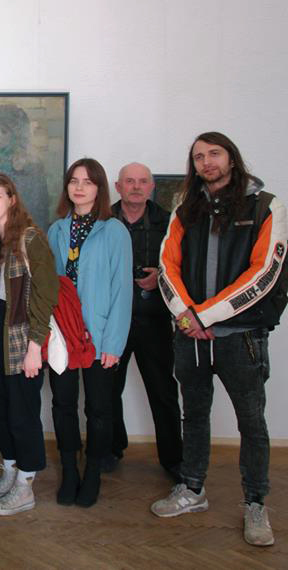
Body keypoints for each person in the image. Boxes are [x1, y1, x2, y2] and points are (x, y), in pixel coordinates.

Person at [152, 132, 287, 547]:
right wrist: (187, 317)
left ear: (232, 157)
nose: (206, 162)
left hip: (240, 338)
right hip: (190, 336)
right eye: (198, 157)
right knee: (193, 415)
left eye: (214, 153)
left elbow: (263, 273)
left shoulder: (266, 206)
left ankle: (255, 503)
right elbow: (167, 265)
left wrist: (205, 316)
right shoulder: (185, 209)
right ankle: (192, 489)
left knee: (252, 423)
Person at [46, 158, 132, 508]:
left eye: (88, 181)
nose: (79, 187)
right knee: (62, 404)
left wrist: (114, 343)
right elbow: (47, 288)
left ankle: (93, 472)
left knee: (99, 409)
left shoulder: (114, 231)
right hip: (63, 336)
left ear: (99, 189)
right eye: (74, 181)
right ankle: (70, 470)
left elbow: (122, 290)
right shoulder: (55, 230)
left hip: (99, 337)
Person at [0, 173, 58, 517]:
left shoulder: (30, 238)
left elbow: (45, 293)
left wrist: (35, 346)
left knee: (22, 413)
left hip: (20, 334)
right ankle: (10, 471)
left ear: (12, 199)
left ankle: (25, 486)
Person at [106, 162, 182, 479]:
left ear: (151, 187)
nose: (136, 187)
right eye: (129, 181)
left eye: (142, 181)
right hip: (114, 321)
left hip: (155, 321)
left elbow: (183, 265)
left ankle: (173, 459)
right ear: (118, 187)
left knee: (163, 391)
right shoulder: (104, 220)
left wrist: (161, 277)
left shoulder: (170, 222)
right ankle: (111, 448)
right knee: (108, 390)